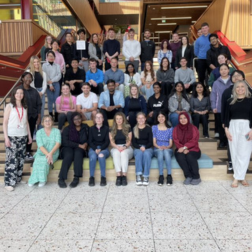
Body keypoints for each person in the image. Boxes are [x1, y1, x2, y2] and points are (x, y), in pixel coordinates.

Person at [3, 87, 32, 191]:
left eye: (21, 93)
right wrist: (6, 138)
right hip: (12, 136)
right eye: (17, 93)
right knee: (11, 159)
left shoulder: (25, 106)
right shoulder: (9, 106)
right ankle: (8, 182)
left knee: (20, 159)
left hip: (23, 135)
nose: (19, 95)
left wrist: (29, 135)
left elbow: (26, 122)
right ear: (14, 94)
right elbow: (5, 122)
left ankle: (18, 179)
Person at [224, 81, 252, 188]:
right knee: (234, 151)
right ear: (234, 89)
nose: (240, 89)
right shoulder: (230, 101)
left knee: (244, 152)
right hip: (232, 127)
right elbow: (227, 116)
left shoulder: (250, 100)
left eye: (242, 87)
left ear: (246, 88)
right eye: (238, 87)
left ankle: (240, 176)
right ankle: (238, 177)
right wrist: (226, 130)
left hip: (246, 127)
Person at [221, 70, 246, 171]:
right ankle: (231, 161)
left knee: (245, 144)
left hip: (247, 123)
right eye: (234, 76)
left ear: (243, 78)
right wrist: (224, 122)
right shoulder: (227, 91)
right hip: (232, 123)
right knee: (232, 142)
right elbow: (223, 108)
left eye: (238, 75)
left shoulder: (249, 91)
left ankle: (243, 164)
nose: (236, 77)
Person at [28, 115, 61, 187]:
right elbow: (40, 146)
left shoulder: (57, 131)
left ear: (52, 122)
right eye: (46, 121)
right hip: (41, 152)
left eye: (49, 120)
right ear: (43, 123)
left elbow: (58, 144)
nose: (48, 122)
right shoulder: (39, 132)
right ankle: (33, 179)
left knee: (44, 160)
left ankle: (42, 180)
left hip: (53, 153)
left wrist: (50, 154)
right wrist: (48, 154)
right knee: (37, 161)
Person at [58, 112, 89, 188]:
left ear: (81, 118)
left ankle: (76, 178)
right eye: (75, 119)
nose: (77, 121)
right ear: (72, 120)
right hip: (67, 147)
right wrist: (78, 145)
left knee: (78, 154)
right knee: (69, 155)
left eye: (78, 118)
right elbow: (65, 142)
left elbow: (90, 138)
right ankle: (61, 178)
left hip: (80, 148)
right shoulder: (67, 129)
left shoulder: (86, 127)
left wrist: (86, 144)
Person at [173, 112, 201, 185]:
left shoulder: (193, 128)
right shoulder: (176, 129)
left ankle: (196, 177)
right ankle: (188, 176)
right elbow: (176, 140)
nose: (183, 120)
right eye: (181, 118)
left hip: (194, 149)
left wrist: (185, 147)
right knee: (180, 156)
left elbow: (194, 140)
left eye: (185, 118)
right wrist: (182, 148)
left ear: (188, 118)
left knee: (189, 156)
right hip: (180, 149)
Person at [20, 72, 42, 160]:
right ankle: (22, 152)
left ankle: (28, 152)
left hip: (32, 116)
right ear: (22, 79)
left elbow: (39, 104)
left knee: (30, 135)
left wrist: (39, 116)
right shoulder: (18, 90)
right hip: (21, 117)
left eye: (30, 78)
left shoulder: (34, 91)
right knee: (22, 135)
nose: (28, 79)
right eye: (27, 77)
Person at [210, 63, 232, 148]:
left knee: (230, 125)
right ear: (219, 71)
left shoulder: (232, 81)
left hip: (231, 108)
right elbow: (213, 95)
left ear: (228, 70)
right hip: (219, 108)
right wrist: (213, 106)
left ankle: (229, 141)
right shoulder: (216, 83)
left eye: (225, 69)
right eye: (221, 69)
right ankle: (222, 141)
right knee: (220, 125)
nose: (223, 71)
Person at [109, 112, 134, 186]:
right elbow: (112, 142)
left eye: (120, 118)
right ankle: (118, 175)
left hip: (127, 147)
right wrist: (117, 147)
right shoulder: (112, 129)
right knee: (116, 153)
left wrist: (124, 147)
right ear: (115, 120)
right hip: (115, 147)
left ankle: (124, 175)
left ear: (123, 119)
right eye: (117, 119)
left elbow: (129, 142)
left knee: (123, 153)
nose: (119, 120)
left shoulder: (128, 128)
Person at [88, 112, 110, 186]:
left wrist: (100, 149)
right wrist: (95, 149)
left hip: (104, 149)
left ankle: (103, 177)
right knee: (93, 157)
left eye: (100, 117)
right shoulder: (91, 129)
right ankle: (91, 177)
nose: (98, 119)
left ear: (103, 119)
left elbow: (107, 141)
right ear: (94, 119)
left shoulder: (107, 129)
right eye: (97, 117)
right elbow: (90, 141)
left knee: (101, 156)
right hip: (93, 148)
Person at [152, 111, 173, 186]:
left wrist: (167, 147)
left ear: (165, 117)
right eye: (159, 117)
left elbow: (171, 143)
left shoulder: (170, 128)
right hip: (157, 148)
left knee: (166, 152)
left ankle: (169, 175)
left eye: (162, 116)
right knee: (160, 152)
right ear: (157, 118)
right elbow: (154, 142)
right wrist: (159, 147)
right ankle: (161, 175)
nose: (161, 118)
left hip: (168, 147)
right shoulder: (154, 127)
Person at [132, 112, 153, 186]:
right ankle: (138, 175)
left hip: (148, 147)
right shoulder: (134, 129)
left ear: (145, 119)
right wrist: (140, 147)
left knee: (147, 154)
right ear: (137, 119)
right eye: (139, 118)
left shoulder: (148, 128)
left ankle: (146, 176)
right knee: (139, 153)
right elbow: (134, 143)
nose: (141, 119)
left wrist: (145, 147)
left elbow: (151, 142)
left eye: (142, 118)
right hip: (138, 147)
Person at [42, 51, 61, 121]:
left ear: (54, 57)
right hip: (47, 84)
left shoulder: (57, 66)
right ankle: (50, 115)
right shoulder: (44, 65)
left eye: (52, 56)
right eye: (49, 56)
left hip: (56, 83)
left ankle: (56, 115)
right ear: (47, 57)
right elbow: (45, 75)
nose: (51, 57)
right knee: (50, 100)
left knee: (56, 100)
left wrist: (52, 81)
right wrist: (50, 84)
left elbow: (59, 75)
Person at [28, 56, 47, 126]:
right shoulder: (29, 72)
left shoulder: (43, 73)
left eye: (37, 62)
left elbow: (45, 84)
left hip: (41, 92)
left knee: (41, 112)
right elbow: (31, 84)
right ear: (31, 63)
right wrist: (37, 92)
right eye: (34, 62)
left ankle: (40, 130)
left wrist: (41, 92)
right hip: (32, 93)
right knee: (34, 113)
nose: (36, 63)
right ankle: (33, 131)